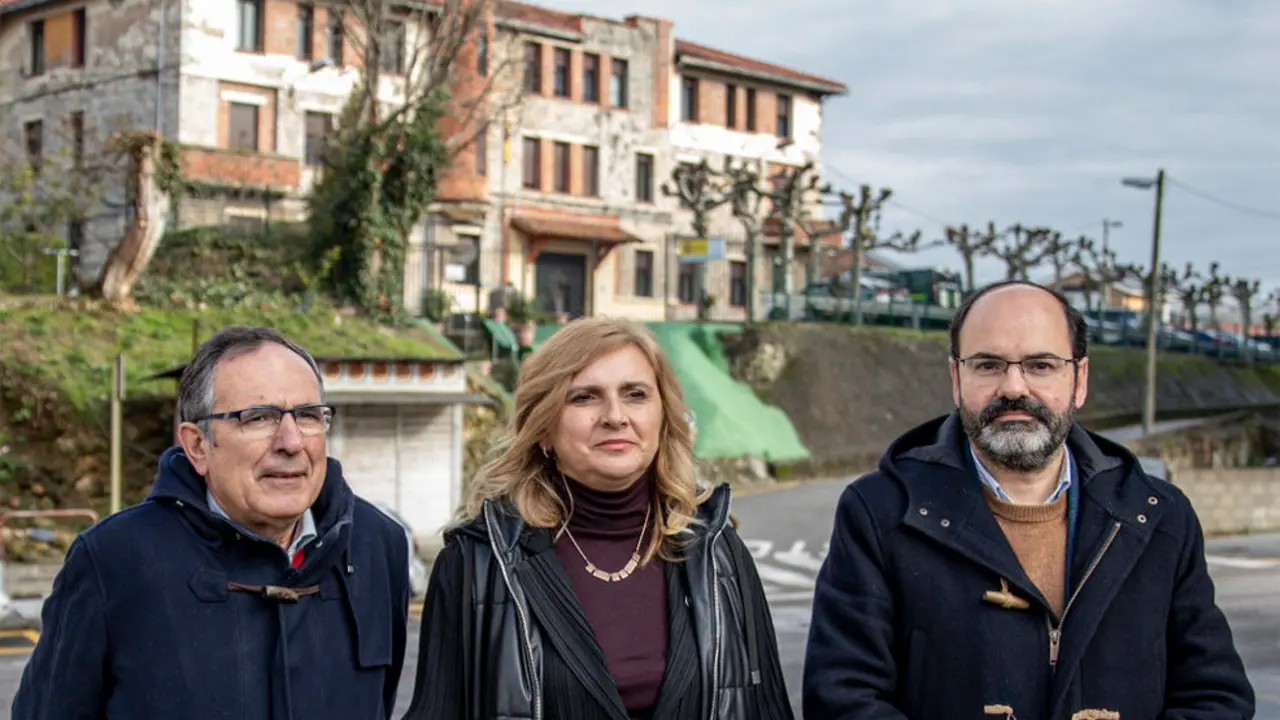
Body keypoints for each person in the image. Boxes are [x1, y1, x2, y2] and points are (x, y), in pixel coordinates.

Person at [803, 280, 1256, 719]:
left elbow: (1216, 696)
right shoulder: (879, 513)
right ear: (956, 378)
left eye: (1040, 365)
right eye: (988, 365)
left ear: (1079, 379)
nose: (1014, 387)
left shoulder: (1159, 518)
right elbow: (843, 699)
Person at [13, 326, 412, 719]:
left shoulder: (378, 545)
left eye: (308, 415)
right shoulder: (113, 560)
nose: (291, 442)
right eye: (258, 418)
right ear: (198, 446)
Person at [404, 316, 793, 720]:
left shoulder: (717, 550)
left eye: (635, 394)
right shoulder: (478, 562)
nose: (615, 416)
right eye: (585, 397)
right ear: (544, 429)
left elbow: (766, 709)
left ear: (663, 417)